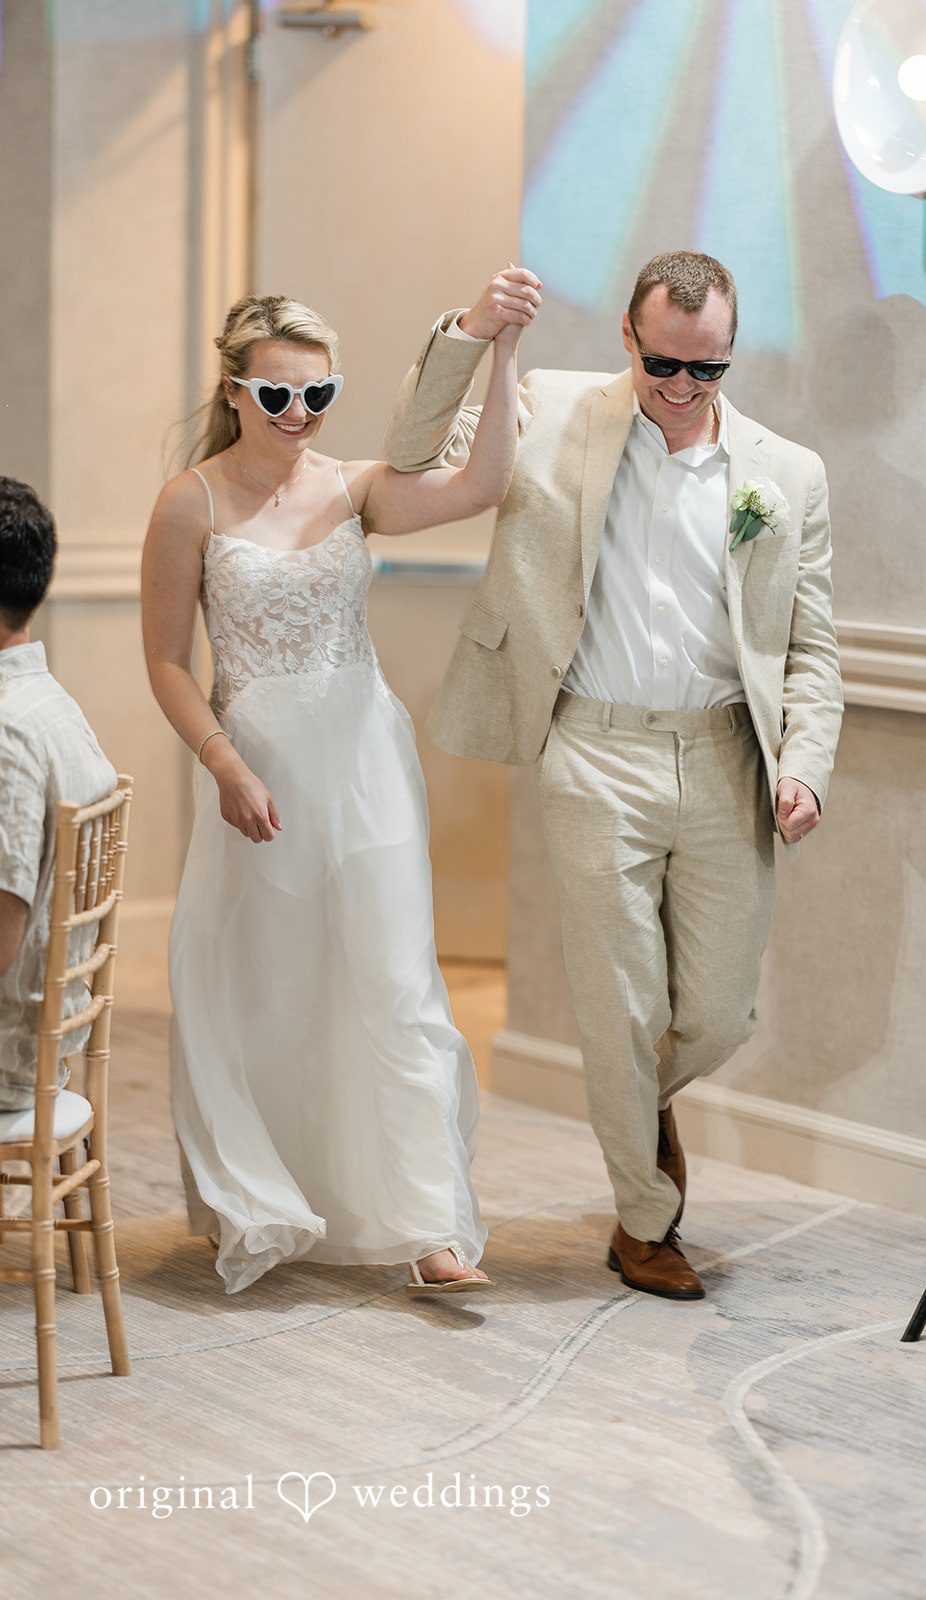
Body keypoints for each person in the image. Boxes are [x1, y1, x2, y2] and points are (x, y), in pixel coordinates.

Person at [383, 252, 844, 1301]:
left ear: (731, 354)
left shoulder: (787, 473)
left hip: (727, 755)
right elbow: (411, 451)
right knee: (620, 1006)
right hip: (591, 749)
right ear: (626, 339)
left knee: (719, 1015)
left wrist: (806, 768)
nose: (681, 388)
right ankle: (644, 1219)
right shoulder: (547, 408)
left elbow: (811, 648)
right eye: (661, 365)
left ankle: (637, 1096)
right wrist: (471, 331)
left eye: (706, 369)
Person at [141, 287, 533, 1295]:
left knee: (397, 984)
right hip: (259, 776)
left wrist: (500, 349)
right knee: (271, 992)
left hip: (366, 765)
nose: (299, 412)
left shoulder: (354, 488)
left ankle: (428, 1227)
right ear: (235, 391)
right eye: (278, 393)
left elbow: (486, 482)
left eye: (319, 392)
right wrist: (223, 762)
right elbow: (167, 662)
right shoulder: (190, 502)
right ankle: (268, 1200)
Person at [0, 477, 117, 1110]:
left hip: (8, 1053)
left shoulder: (7, 731)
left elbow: (3, 932)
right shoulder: (52, 703)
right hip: (43, 1036)